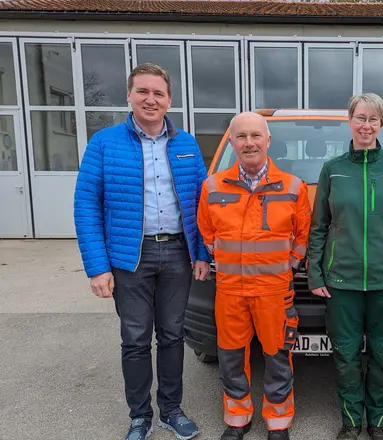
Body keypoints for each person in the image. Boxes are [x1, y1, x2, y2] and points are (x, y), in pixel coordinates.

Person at [74, 63, 211, 440]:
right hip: (130, 258)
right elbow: (86, 204)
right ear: (129, 96)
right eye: (143, 92)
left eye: (159, 93)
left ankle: (171, 410)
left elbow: (203, 203)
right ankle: (140, 416)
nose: (151, 99)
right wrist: (97, 266)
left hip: (178, 255)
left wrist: (202, 253)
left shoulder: (186, 144)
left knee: (172, 335)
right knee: (135, 338)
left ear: (169, 101)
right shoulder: (104, 143)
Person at [307, 93, 383, 440]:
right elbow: (318, 227)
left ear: (381, 125)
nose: (366, 125)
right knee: (345, 358)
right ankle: (350, 422)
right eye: (360, 117)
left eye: (373, 119)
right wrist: (316, 273)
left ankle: (379, 422)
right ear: (350, 121)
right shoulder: (333, 170)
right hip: (341, 284)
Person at [197, 111, 311, 440]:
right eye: (242, 137)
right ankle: (238, 419)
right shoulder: (213, 186)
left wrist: (288, 263)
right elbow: (207, 233)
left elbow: (303, 236)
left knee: (277, 358)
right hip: (230, 291)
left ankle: (278, 424)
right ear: (231, 142)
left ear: (268, 141)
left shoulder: (292, 187)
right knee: (231, 358)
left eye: (256, 136)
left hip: (275, 293)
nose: (249, 143)